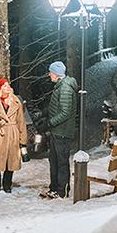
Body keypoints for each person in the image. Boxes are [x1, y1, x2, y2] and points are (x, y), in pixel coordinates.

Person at [0, 78, 28, 195]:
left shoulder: (16, 102)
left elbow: (21, 122)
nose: (8, 87)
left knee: (10, 161)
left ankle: (7, 185)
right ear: (0, 88)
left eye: (8, 85)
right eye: (5, 85)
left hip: (13, 134)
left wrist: (23, 140)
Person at [44, 61, 78, 199]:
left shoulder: (65, 88)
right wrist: (45, 112)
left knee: (61, 162)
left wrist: (49, 123)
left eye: (50, 72)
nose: (49, 75)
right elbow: (58, 106)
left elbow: (65, 112)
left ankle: (61, 190)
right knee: (54, 160)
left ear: (56, 74)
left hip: (62, 132)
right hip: (57, 131)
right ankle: (54, 187)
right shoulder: (60, 86)